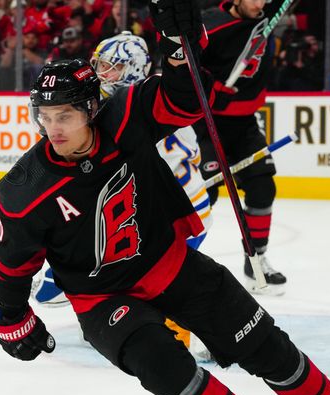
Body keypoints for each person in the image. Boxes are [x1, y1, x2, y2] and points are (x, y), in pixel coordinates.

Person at [0, 0, 330, 395]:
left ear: (92, 108)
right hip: (102, 298)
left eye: (66, 116)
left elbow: (184, 99)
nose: (53, 129)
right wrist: (13, 318)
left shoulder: (124, 115)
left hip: (170, 263)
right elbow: (12, 264)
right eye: (45, 117)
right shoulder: (25, 188)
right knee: (166, 369)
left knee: (264, 344)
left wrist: (179, 47)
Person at [31, 31, 213, 350]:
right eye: (98, 64)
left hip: (172, 215)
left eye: (109, 67)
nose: (100, 72)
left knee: (160, 281)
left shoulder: (124, 113)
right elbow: (193, 155)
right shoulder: (154, 99)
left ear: (132, 68)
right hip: (182, 206)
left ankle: (190, 338)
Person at [196, 0, 287, 295]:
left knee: (263, 186)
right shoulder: (211, 24)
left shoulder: (264, 18)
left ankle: (257, 261)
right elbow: (180, 69)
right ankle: (174, 267)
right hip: (205, 124)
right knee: (202, 197)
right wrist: (210, 91)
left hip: (245, 124)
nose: (260, 3)